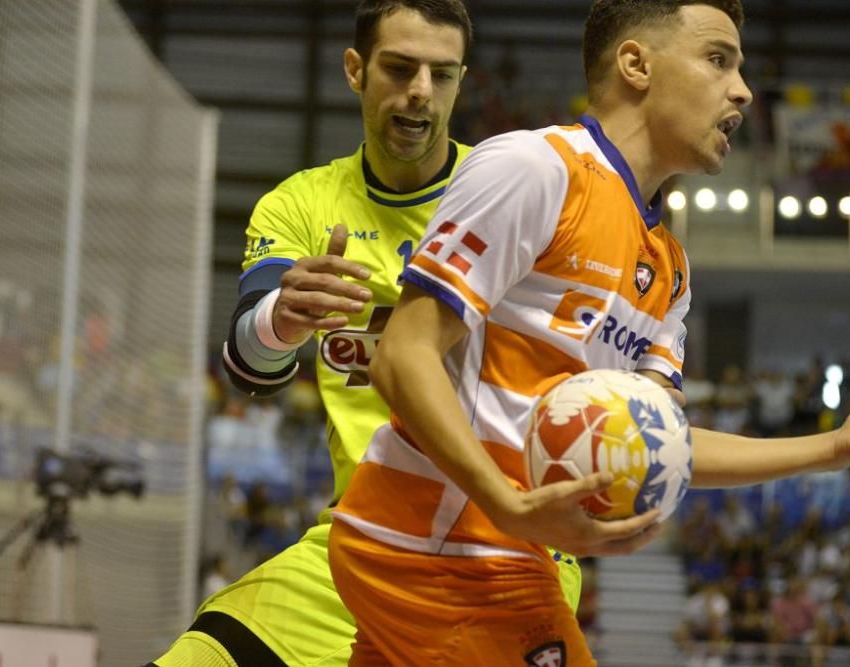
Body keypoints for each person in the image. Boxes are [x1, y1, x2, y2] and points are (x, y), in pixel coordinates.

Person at [327, 0, 850, 663]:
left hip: (499, 545)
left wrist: (838, 447)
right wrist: (506, 502)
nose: (742, 89)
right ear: (635, 64)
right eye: (718, 59)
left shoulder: (670, 269)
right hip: (443, 539)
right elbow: (404, 354)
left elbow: (662, 441)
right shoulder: (538, 169)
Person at [148, 2, 583, 666]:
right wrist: (280, 320)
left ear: (461, 82)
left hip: (503, 548)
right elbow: (248, 364)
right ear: (356, 70)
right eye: (400, 68)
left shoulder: (516, 192)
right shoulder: (301, 204)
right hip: (362, 540)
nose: (420, 92)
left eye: (441, 75)